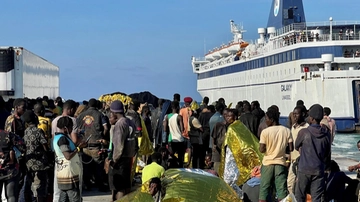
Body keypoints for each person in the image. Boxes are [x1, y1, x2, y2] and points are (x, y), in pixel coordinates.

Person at [295, 104, 331, 202]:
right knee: (316, 198)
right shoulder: (326, 134)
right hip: (319, 170)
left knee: (300, 196)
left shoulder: (303, 132)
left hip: (304, 169)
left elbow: (296, 146)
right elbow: (327, 154)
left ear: (311, 119)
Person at [259, 106, 293, 202]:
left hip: (267, 164)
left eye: (266, 118)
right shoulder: (286, 130)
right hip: (281, 163)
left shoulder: (265, 132)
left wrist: (268, 147)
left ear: (272, 119)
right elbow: (291, 148)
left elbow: (261, 149)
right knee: (281, 191)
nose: (265, 121)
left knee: (264, 191)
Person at [109, 100, 137, 200]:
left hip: (120, 159)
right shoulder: (130, 121)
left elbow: (118, 146)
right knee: (126, 185)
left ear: (114, 112)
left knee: (119, 187)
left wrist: (114, 161)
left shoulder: (120, 124)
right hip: (128, 158)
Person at [53, 116, 86, 202]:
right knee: (74, 198)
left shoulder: (57, 137)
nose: (72, 129)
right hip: (68, 173)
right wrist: (78, 148)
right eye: (71, 127)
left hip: (62, 172)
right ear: (65, 128)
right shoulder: (62, 139)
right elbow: (67, 156)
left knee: (63, 198)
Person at [23, 110, 49, 202]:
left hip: (28, 162)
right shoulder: (39, 131)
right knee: (41, 186)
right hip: (40, 163)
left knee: (29, 184)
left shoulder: (25, 131)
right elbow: (44, 145)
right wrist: (48, 153)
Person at [287, 105, 309, 194]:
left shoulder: (307, 128)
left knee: (300, 185)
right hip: (293, 160)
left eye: (297, 114)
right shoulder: (293, 127)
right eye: (294, 114)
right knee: (290, 183)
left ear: (303, 114)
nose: (294, 116)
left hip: (302, 161)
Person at [163, 101, 184, 168]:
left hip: (171, 139)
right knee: (181, 157)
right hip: (179, 139)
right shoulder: (179, 117)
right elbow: (182, 129)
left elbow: (165, 129)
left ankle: (171, 168)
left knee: (171, 155)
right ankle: (180, 168)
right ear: (178, 107)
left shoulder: (167, 117)